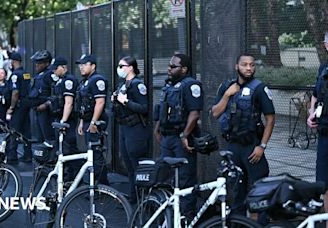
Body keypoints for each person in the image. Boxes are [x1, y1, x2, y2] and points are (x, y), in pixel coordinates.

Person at [211, 53, 275, 218]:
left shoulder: (259, 88)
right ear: (236, 66)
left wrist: (262, 146)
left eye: (252, 65)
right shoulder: (226, 86)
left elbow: (270, 119)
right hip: (233, 146)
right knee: (237, 190)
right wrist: (227, 95)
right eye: (244, 64)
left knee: (260, 190)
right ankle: (238, 223)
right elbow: (215, 113)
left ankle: (260, 223)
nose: (248, 68)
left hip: (252, 147)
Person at [153, 54, 203, 215]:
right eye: (169, 65)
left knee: (185, 178)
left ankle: (186, 216)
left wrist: (185, 135)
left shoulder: (191, 85)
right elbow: (163, 109)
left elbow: (194, 114)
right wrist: (157, 128)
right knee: (164, 174)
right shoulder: (169, 85)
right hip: (167, 137)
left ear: (184, 69)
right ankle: (168, 215)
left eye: (173, 66)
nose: (169, 68)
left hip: (182, 138)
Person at [111, 56, 150, 203]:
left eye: (122, 66)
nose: (119, 69)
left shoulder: (137, 85)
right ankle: (134, 195)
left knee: (136, 163)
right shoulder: (123, 84)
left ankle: (143, 197)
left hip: (136, 129)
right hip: (124, 127)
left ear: (131, 67)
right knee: (128, 162)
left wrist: (125, 101)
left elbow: (144, 108)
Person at [41, 56, 79, 179]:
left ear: (63, 67)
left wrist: (63, 121)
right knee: (61, 148)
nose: (53, 71)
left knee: (69, 148)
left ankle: (73, 176)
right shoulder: (60, 80)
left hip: (67, 121)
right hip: (58, 118)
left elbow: (69, 102)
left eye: (55, 68)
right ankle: (66, 174)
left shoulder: (69, 80)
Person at [76, 54, 109, 185]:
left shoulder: (97, 80)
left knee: (96, 153)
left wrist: (94, 122)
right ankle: (93, 181)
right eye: (80, 65)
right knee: (91, 152)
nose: (81, 67)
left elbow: (100, 102)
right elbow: (83, 104)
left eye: (85, 64)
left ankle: (101, 184)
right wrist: (82, 122)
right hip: (88, 120)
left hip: (97, 122)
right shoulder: (84, 81)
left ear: (93, 66)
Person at [307, 32, 328, 221]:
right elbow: (315, 94)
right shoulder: (323, 68)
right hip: (324, 135)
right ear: (326, 45)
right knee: (324, 182)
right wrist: (311, 112)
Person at [6, 52, 32, 164]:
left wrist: (11, 107)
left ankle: (12, 156)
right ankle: (28, 154)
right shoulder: (26, 73)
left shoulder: (15, 75)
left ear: (13, 61)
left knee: (13, 130)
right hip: (26, 105)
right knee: (26, 130)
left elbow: (15, 92)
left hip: (18, 106)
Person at [29, 49, 56, 147]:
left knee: (48, 136)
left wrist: (46, 104)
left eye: (39, 63)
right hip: (38, 110)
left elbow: (55, 93)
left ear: (46, 63)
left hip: (46, 111)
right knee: (40, 137)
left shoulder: (49, 75)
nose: (36, 65)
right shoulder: (38, 75)